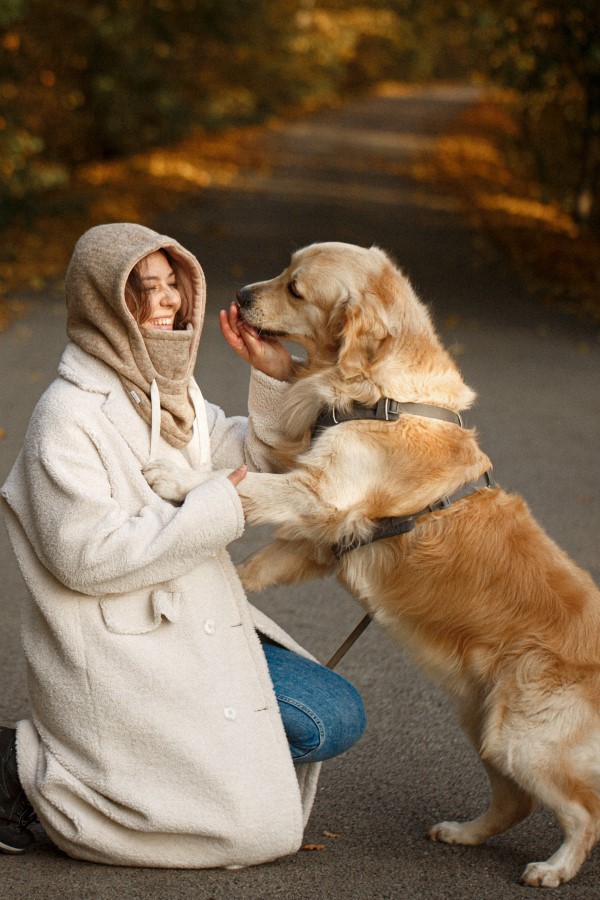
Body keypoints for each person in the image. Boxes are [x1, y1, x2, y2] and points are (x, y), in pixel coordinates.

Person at [0, 223, 365, 866]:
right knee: (251, 821)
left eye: (174, 284)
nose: (168, 301)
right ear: (104, 303)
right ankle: (27, 781)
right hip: (126, 648)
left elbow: (254, 459)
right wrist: (217, 505)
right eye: (147, 288)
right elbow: (84, 555)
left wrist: (279, 376)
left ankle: (186, 755)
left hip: (196, 624)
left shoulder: (172, 394)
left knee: (335, 714)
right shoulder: (68, 415)